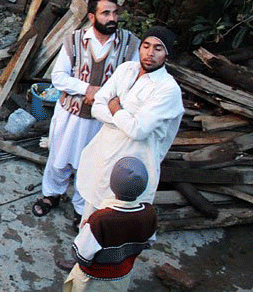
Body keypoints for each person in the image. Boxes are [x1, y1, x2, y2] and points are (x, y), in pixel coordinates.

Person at [39, 157, 157, 292]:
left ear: (112, 185)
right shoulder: (149, 213)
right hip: (122, 276)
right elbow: (149, 242)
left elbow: (82, 254)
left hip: (93, 280)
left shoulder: (101, 220)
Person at [32, 0, 139, 230]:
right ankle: (52, 194)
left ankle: (82, 209)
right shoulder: (74, 40)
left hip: (102, 119)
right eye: (106, 13)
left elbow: (132, 80)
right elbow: (58, 77)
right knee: (59, 158)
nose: (112, 18)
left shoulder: (131, 43)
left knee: (92, 164)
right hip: (71, 113)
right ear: (92, 16)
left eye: (115, 13)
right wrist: (86, 88)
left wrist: (103, 95)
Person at [75, 26, 184, 221]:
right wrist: (125, 117)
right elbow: (97, 107)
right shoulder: (126, 70)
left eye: (158, 49)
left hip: (134, 164)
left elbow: (138, 130)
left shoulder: (168, 89)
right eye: (146, 46)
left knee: (117, 221)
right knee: (91, 212)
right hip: (105, 152)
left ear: (167, 55)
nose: (150, 53)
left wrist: (115, 108)